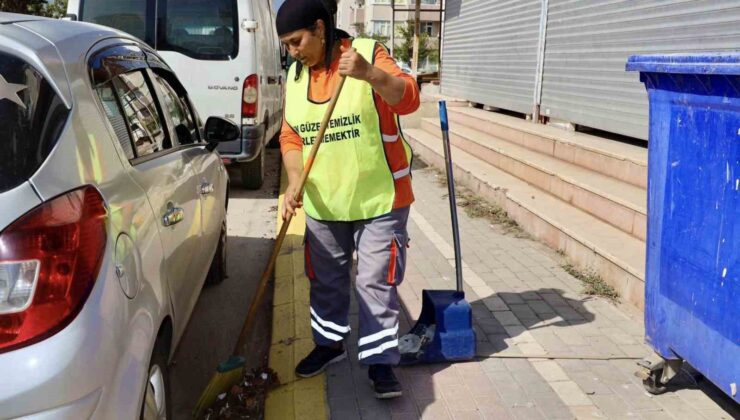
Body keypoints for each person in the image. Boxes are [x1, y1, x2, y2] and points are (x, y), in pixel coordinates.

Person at [276, 0, 420, 399]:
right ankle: (329, 346)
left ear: (320, 29)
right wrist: (293, 181)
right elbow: (290, 136)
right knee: (325, 281)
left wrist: (369, 74)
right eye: (286, 45)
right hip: (325, 203)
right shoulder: (294, 76)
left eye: (297, 41)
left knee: (375, 283)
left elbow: (408, 98)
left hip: (380, 199)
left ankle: (380, 364)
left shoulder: (368, 52)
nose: (292, 51)